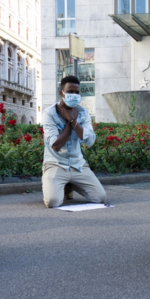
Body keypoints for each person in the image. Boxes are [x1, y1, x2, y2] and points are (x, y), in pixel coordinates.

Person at [41, 75, 106, 208]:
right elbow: (56, 145)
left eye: (77, 92)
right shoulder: (49, 113)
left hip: (78, 165)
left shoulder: (83, 113)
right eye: (70, 91)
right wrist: (70, 122)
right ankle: (59, 183)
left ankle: (70, 183)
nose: (74, 95)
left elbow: (90, 141)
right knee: (53, 202)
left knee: (99, 197)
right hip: (56, 164)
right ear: (62, 93)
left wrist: (72, 121)